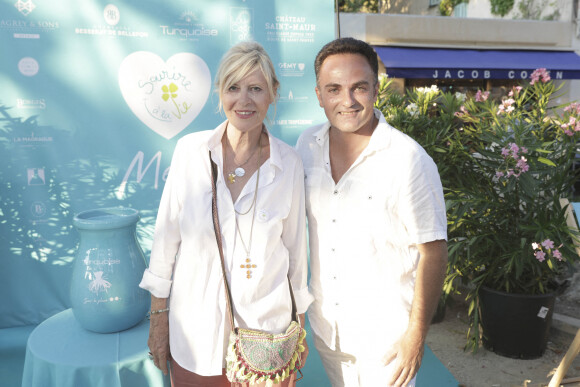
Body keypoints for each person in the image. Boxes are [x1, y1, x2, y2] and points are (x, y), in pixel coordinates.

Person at [139, 41, 313, 387]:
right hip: (194, 337)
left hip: (266, 338)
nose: (244, 100)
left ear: (272, 94)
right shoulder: (190, 152)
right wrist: (159, 319)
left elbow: (295, 252)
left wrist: (299, 331)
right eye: (233, 87)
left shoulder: (289, 163)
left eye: (255, 89)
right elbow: (165, 243)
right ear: (220, 93)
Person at [296, 37, 448, 387]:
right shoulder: (306, 146)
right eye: (333, 89)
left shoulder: (409, 160)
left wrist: (416, 336)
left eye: (359, 87)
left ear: (376, 90)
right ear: (319, 95)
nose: (347, 101)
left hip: (385, 342)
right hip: (327, 331)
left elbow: (434, 252)